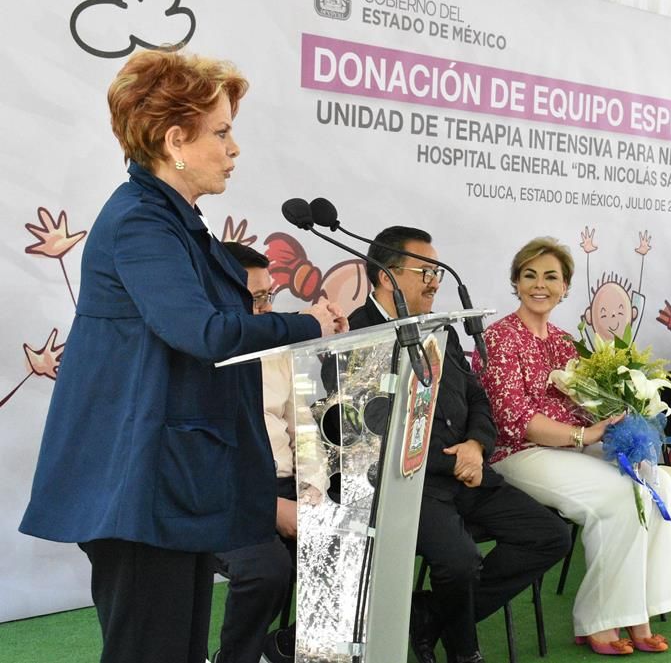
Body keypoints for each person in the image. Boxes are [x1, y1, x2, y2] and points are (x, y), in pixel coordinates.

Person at [18, 50, 345, 663]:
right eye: (221, 132)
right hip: (140, 481)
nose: (234, 148)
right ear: (175, 141)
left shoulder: (173, 219)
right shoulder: (141, 220)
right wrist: (307, 323)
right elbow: (202, 332)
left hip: (172, 479)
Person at [338, 226, 570, 663]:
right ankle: (464, 653)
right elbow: (372, 429)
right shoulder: (355, 335)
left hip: (469, 470)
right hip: (412, 484)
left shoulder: (440, 329)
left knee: (549, 536)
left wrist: (477, 446)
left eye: (437, 272)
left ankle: (428, 616)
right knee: (460, 561)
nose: (434, 282)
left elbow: (477, 397)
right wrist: (456, 459)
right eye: (424, 272)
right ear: (387, 277)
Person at [474, 237, 671, 656]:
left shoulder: (564, 340)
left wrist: (621, 412)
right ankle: (599, 621)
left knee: (655, 479)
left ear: (565, 287)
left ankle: (638, 612)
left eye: (551, 277)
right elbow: (516, 420)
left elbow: (584, 408)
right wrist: (585, 437)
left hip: (571, 446)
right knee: (616, 494)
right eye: (530, 275)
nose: (540, 285)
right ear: (516, 283)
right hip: (518, 452)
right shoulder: (498, 339)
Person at [213, 241, 323, 663]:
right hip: (227, 494)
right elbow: (211, 459)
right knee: (267, 570)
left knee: (353, 546)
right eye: (255, 300)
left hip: (287, 484)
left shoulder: (279, 350)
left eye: (268, 297)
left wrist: (312, 491)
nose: (265, 310)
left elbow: (305, 427)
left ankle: (284, 647)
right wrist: (271, 507)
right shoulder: (202, 356)